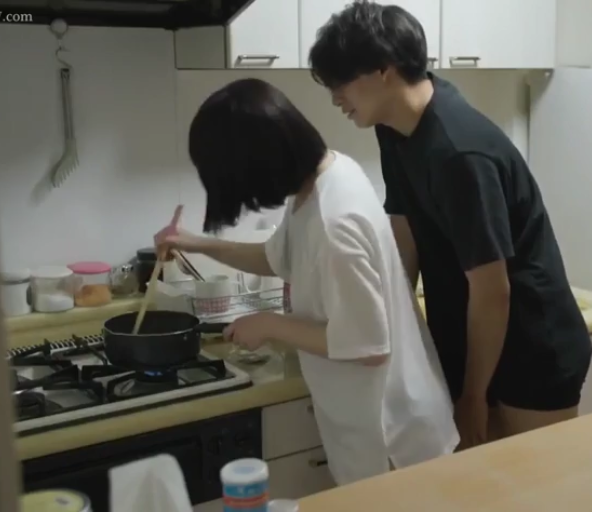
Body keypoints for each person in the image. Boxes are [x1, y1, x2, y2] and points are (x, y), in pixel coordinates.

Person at [307, 1, 592, 449]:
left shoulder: (459, 155)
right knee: (482, 483)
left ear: (383, 71)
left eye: (341, 82)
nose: (335, 98)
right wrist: (392, 325)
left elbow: (493, 290)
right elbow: (404, 232)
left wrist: (473, 395)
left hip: (532, 345)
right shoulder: (394, 126)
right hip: (471, 336)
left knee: (537, 482)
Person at [153, 78, 458, 485]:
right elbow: (278, 257)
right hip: (376, 423)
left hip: (392, 439)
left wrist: (269, 325)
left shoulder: (335, 223)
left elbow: (369, 344)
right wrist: (193, 243)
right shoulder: (326, 175)